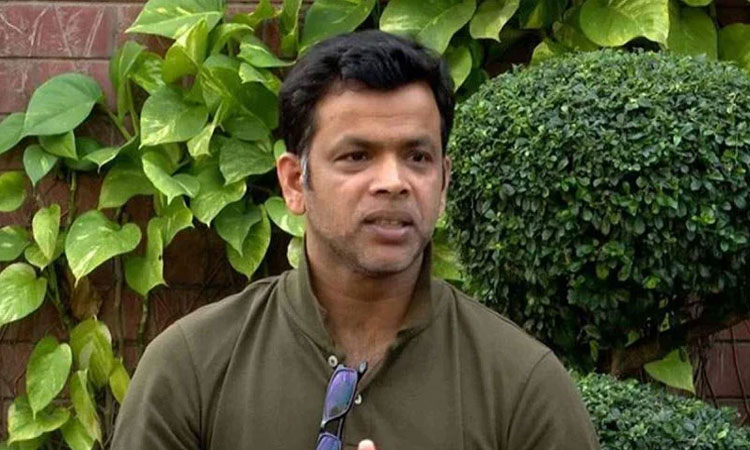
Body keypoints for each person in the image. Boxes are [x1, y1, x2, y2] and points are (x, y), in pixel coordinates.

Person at [111, 30, 599, 450]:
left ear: (444, 183)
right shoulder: (192, 368)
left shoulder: (520, 385)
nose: (393, 182)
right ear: (295, 183)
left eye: (418, 157)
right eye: (357, 156)